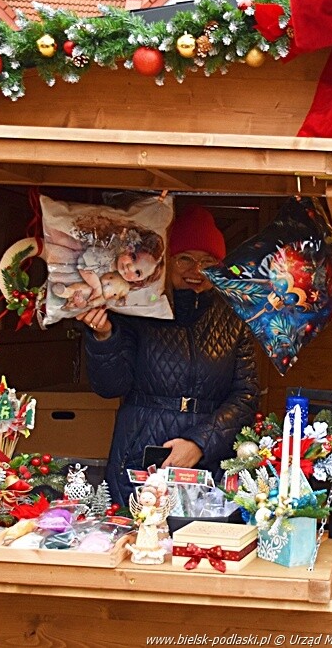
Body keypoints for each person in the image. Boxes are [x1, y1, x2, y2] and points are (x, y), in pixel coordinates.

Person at [78, 205, 259, 507]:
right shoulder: (135, 310)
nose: (196, 270)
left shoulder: (233, 318)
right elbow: (110, 387)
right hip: (140, 450)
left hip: (211, 459)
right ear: (165, 261)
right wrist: (104, 337)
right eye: (185, 258)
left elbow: (246, 395)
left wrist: (199, 443)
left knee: (203, 533)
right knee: (140, 531)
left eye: (207, 261)